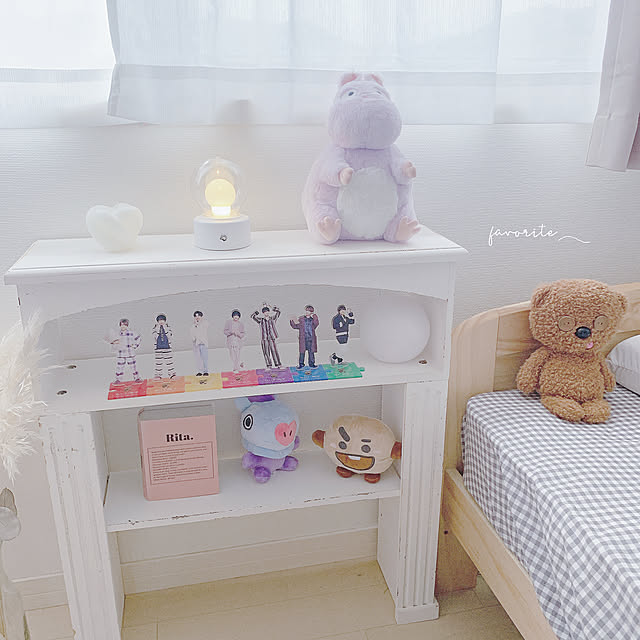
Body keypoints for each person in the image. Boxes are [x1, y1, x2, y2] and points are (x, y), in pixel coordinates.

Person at [251, 303, 282, 368]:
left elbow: (278, 313)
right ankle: (268, 365)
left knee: (274, 350)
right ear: (263, 313)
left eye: (267, 311)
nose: (266, 313)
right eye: (265, 312)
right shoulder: (261, 320)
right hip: (264, 338)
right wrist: (257, 311)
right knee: (266, 352)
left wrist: (273, 308)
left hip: (272, 337)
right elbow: (253, 317)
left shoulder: (272, 318)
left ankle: (278, 364)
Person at [111, 318, 142, 384]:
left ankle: (137, 378)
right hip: (121, 353)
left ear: (127, 325)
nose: (123, 326)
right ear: (120, 325)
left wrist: (135, 345)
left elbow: (138, 338)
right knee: (119, 367)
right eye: (122, 325)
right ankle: (118, 379)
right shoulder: (117, 334)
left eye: (125, 325)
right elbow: (113, 342)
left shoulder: (131, 333)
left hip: (129, 353)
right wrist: (114, 343)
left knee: (133, 367)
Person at [152, 314, 176, 379]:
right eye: (160, 320)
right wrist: (158, 328)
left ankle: (172, 374)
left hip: (167, 347)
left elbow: (169, 336)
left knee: (169, 362)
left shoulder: (168, 327)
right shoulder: (155, 328)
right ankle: (158, 375)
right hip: (158, 347)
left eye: (162, 320)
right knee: (158, 363)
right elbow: (154, 337)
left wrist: (165, 328)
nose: (161, 321)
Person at [190, 310, 209, 376]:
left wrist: (198, 324)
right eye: (196, 316)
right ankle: (200, 371)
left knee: (204, 357)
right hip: (196, 344)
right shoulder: (193, 325)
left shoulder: (205, 323)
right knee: (198, 358)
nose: (197, 317)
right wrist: (194, 339)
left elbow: (204, 329)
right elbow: (192, 333)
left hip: (203, 343)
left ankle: (205, 371)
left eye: (199, 316)